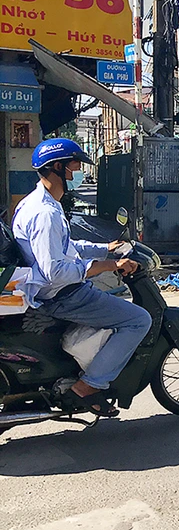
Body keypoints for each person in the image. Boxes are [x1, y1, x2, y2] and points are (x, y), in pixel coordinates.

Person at [12, 138, 151, 417]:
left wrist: (105, 249)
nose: (77, 174)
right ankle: (89, 385)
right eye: (74, 168)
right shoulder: (45, 213)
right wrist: (105, 265)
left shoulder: (38, 203)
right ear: (57, 167)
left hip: (56, 290)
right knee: (138, 320)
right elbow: (55, 272)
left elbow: (66, 247)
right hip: (62, 295)